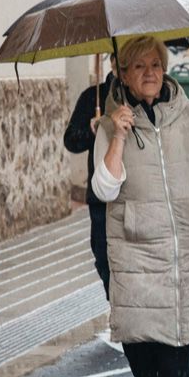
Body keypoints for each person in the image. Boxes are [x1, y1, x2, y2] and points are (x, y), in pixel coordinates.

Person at [90, 36, 189, 377]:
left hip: (185, 237)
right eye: (140, 67)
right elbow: (104, 188)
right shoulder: (111, 124)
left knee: (177, 333)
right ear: (123, 74)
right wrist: (118, 136)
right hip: (134, 243)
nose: (150, 73)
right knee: (136, 332)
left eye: (156, 65)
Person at [63, 61, 116, 296]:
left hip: (134, 195)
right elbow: (71, 141)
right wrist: (91, 129)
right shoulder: (93, 97)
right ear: (112, 62)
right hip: (100, 196)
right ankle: (114, 301)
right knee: (103, 256)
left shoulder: (139, 98)